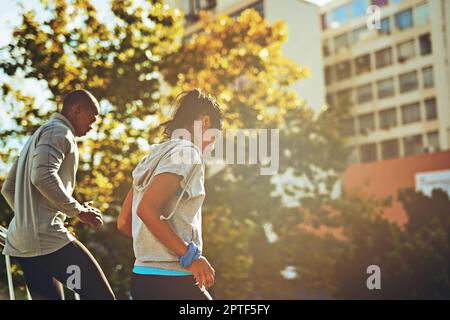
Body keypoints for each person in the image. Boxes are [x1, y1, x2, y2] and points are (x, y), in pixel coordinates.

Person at [1, 89, 115, 300]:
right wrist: (77, 210)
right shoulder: (59, 132)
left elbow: (8, 188)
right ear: (77, 109)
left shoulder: (38, 135)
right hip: (46, 240)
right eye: (92, 118)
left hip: (24, 244)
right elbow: (42, 176)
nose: (92, 126)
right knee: (101, 296)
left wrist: (30, 218)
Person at [117, 88, 223, 300]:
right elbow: (146, 210)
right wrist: (190, 257)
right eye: (215, 137)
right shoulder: (187, 152)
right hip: (173, 280)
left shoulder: (152, 156)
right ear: (205, 122)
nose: (212, 145)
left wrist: (153, 247)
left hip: (142, 278)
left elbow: (124, 222)